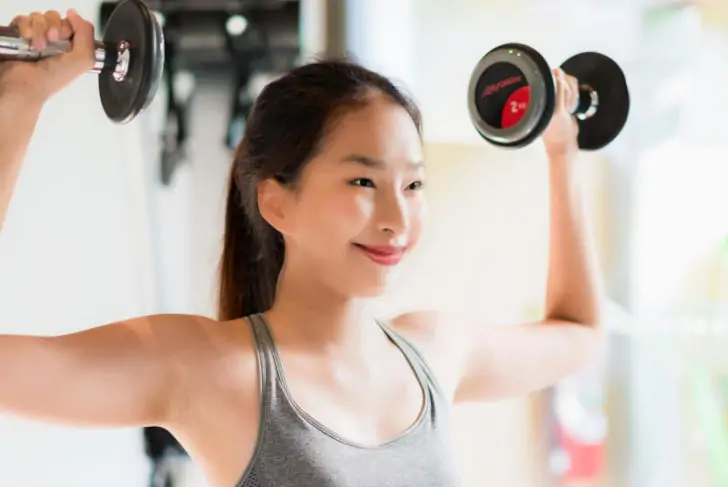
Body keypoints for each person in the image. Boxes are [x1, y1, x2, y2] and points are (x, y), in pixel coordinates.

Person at [0, 9, 606, 487]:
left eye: (414, 185)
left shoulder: (435, 353)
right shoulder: (210, 370)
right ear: (277, 202)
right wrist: (20, 102)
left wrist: (561, 151)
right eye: (363, 182)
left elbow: (579, 334)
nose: (397, 219)